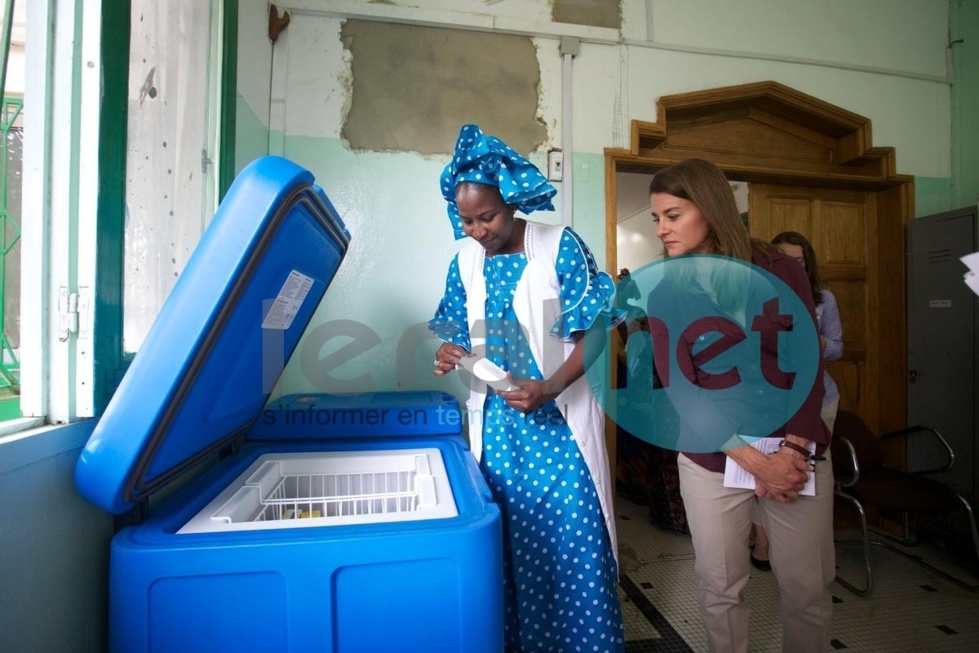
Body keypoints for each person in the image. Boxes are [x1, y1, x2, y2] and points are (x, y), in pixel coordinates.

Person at [429, 124, 625, 652]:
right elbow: (459, 337)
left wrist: (551, 386)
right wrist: (452, 356)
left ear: (512, 201)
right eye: (465, 219)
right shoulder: (464, 262)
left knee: (571, 546)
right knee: (510, 546)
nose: (476, 230)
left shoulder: (558, 244)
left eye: (486, 216)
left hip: (560, 435)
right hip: (497, 434)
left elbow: (602, 329)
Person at [646, 158, 834, 653]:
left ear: (709, 208)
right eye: (657, 219)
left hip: (794, 451)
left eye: (672, 215)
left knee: (807, 589)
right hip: (713, 458)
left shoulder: (781, 270)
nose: (662, 229)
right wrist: (752, 461)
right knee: (720, 589)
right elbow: (682, 387)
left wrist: (792, 449)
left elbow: (806, 362)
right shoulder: (667, 289)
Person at [751, 231, 844, 570]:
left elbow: (836, 346)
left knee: (805, 473)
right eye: (783, 259)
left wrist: (813, 341)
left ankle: (805, 556)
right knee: (765, 473)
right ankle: (763, 544)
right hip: (774, 401)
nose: (790, 266)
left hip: (820, 397)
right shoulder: (762, 297)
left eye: (798, 261)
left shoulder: (824, 300)